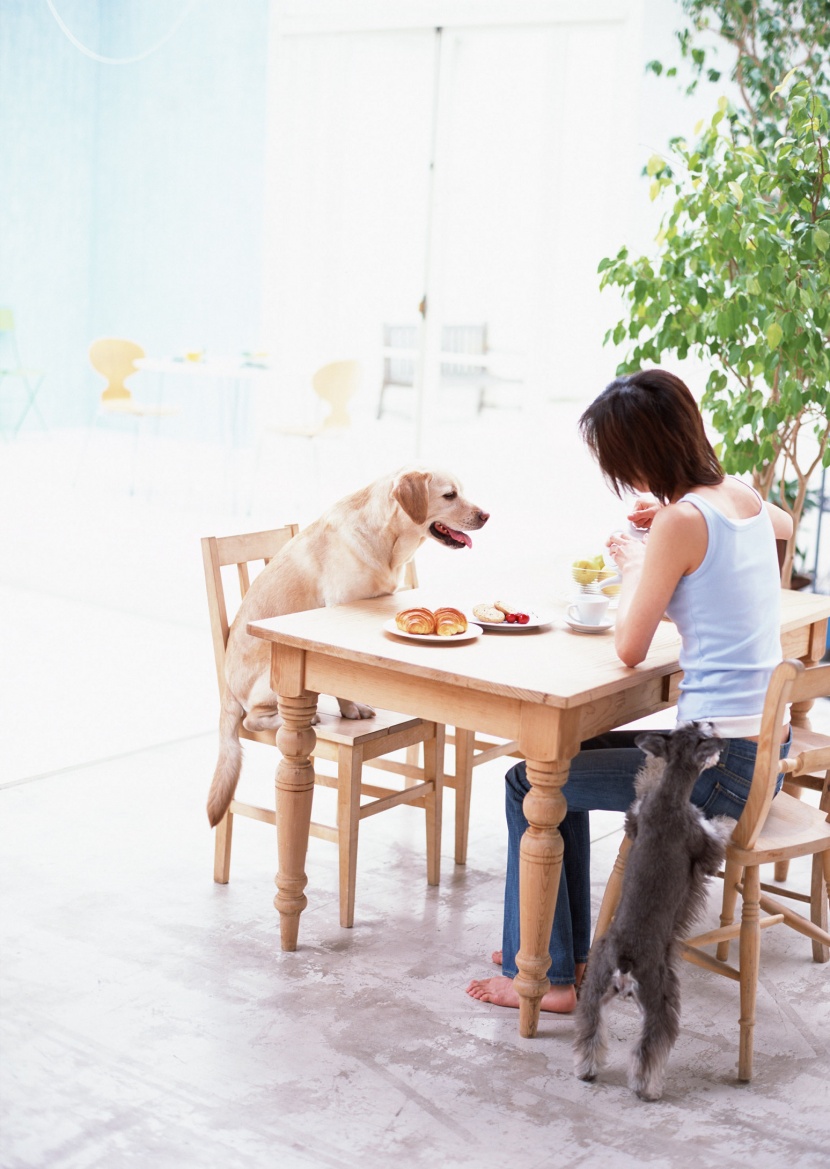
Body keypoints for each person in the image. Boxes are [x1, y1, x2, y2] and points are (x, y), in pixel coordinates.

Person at [466, 368, 793, 1014]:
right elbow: (776, 526)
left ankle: (552, 976)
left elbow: (628, 647)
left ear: (643, 454)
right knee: (565, 760)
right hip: (761, 763)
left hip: (708, 775)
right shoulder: (745, 499)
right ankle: (555, 946)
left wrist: (640, 559)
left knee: (529, 783)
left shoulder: (679, 523)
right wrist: (672, 526)